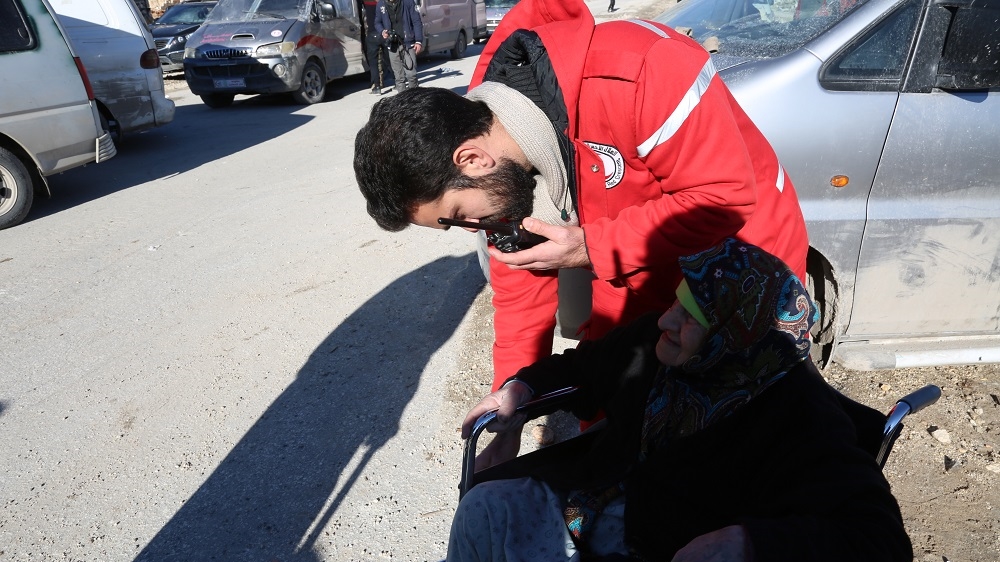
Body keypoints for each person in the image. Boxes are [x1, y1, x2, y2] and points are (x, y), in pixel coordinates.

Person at [354, 0, 809, 440]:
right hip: (637, 277)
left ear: (471, 159)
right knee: (618, 422)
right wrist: (512, 414)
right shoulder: (502, 165)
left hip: (742, 269)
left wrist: (590, 247)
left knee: (727, 437)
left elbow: (724, 198)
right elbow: (519, 302)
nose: (473, 230)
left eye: (456, 218)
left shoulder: (640, 67)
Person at [447, 239, 913, 562]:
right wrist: (521, 391)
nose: (667, 321)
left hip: (668, 543)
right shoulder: (656, 342)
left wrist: (753, 544)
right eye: (676, 303)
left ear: (733, 333)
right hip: (590, 502)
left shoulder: (798, 414)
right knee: (483, 509)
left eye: (690, 317)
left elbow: (880, 541)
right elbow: (582, 368)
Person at [374, 0, 423, 93]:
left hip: (408, 43)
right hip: (392, 44)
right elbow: (377, 22)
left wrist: (418, 41)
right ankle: (403, 101)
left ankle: (415, 97)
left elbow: (417, 21)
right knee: (399, 78)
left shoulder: (408, 2)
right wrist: (382, 31)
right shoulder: (381, 4)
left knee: (411, 74)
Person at [363, 0, 391, 94]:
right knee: (389, 59)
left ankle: (377, 86)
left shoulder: (367, 2)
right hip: (384, 33)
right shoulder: (383, 3)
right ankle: (398, 81)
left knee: (373, 63)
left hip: (372, 34)